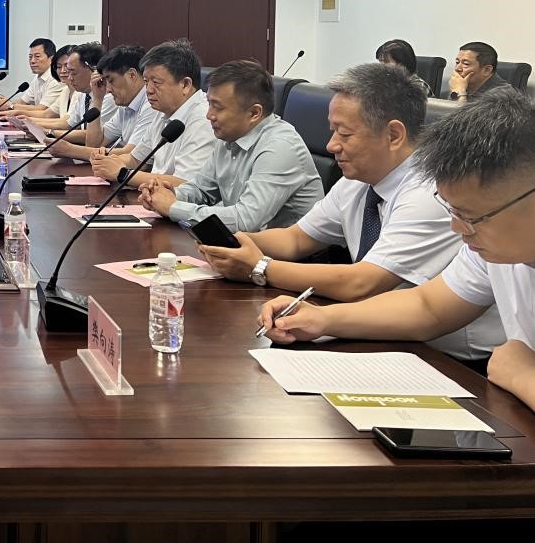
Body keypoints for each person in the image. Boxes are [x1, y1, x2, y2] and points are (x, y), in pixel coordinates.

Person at [203, 63, 502, 363]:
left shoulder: (430, 194)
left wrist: (260, 268)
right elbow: (296, 238)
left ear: (393, 135)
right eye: (332, 131)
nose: (332, 145)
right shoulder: (358, 179)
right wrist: (233, 242)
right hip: (385, 332)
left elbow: (363, 283)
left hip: (452, 360)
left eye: (344, 134)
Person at [259, 89, 531, 406]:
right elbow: (428, 307)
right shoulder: (491, 248)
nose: (457, 229)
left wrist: (522, 376)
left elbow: (512, 366)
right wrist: (323, 319)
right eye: (454, 212)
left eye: (471, 216)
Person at [139, 60, 323, 231]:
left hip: (284, 253)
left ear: (254, 113)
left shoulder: (280, 148)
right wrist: (167, 194)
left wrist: (173, 207)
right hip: (240, 244)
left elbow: (246, 220)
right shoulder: (229, 136)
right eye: (209, 104)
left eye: (218, 107)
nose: (209, 115)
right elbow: (202, 189)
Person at [91, 38, 218, 189]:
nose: (148, 90)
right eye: (146, 82)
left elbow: (186, 184)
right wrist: (108, 162)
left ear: (185, 84)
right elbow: (136, 159)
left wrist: (122, 173)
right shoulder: (162, 111)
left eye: (156, 83)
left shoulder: (204, 119)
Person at [40, 43, 107, 160]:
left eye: (73, 72)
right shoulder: (83, 94)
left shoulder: (107, 97)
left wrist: (50, 132)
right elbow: (70, 124)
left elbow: (91, 140)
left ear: (94, 71)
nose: (70, 78)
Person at [0, 37, 63, 114]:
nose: (32, 61)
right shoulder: (37, 78)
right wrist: (4, 103)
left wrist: (10, 105)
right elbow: (23, 102)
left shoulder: (57, 79)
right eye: (30, 57)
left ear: (51, 59)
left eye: (37, 56)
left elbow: (42, 109)